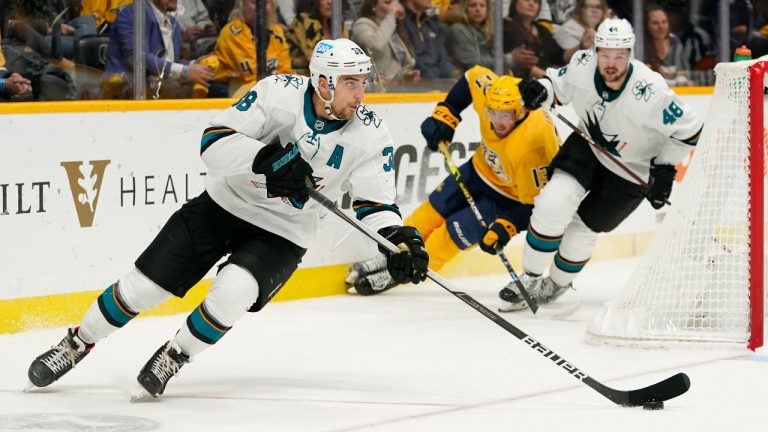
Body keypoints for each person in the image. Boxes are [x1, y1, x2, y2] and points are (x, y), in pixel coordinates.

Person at [26, 38, 429, 399]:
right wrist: (262, 159)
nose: (361, 93)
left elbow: (375, 206)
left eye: (363, 82)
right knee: (142, 289)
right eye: (351, 83)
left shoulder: (372, 134)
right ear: (323, 83)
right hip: (225, 204)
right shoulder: (278, 94)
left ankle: (176, 354)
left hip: (285, 230)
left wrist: (398, 238)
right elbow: (212, 143)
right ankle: (77, 343)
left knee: (233, 292)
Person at [499, 18, 704, 312]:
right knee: (553, 203)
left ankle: (554, 285)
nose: (611, 63)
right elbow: (557, 86)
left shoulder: (651, 90)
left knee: (582, 230)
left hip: (633, 170)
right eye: (605, 54)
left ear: (631, 54)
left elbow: (692, 131)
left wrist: (664, 168)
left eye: (619, 56)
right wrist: (541, 90)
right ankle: (529, 277)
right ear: (595, 51)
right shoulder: (582, 64)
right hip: (589, 146)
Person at [347, 65, 560, 295]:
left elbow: (539, 205)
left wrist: (508, 226)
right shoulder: (494, 91)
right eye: (493, 112)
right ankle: (390, 255)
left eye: (505, 115)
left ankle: (399, 274)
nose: (497, 121)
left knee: (446, 237)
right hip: (477, 172)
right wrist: (447, 113)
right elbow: (472, 77)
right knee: (427, 213)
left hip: (508, 200)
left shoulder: (536, 145)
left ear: (519, 112)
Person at [101, 0, 215, 99]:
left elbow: (168, 63)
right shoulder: (134, 13)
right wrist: (184, 71)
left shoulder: (174, 23)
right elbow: (138, 58)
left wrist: (195, 64)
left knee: (212, 87)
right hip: (124, 91)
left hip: (157, 89)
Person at [193, 0, 293, 98]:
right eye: (254, 3)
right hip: (236, 89)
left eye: (266, 2)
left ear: (273, 6)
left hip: (265, 87)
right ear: (242, 5)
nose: (261, 7)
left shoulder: (277, 31)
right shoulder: (232, 31)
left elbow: (285, 70)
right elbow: (251, 73)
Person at [351, 0, 420, 88]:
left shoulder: (392, 28)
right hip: (372, 90)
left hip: (395, 89)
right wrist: (391, 16)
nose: (393, 7)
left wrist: (405, 75)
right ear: (373, 6)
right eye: (387, 3)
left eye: (396, 3)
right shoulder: (362, 24)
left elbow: (395, 66)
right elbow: (375, 45)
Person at [644, 5, 690, 87]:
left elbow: (682, 77)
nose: (661, 27)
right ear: (647, 26)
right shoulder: (641, 46)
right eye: (655, 23)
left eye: (664, 22)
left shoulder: (675, 43)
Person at [446, 0, 496, 71]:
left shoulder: (489, 31)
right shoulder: (458, 29)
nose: (478, 9)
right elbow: (472, 62)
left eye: (482, 6)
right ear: (465, 9)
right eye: (472, 5)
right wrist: (509, 59)